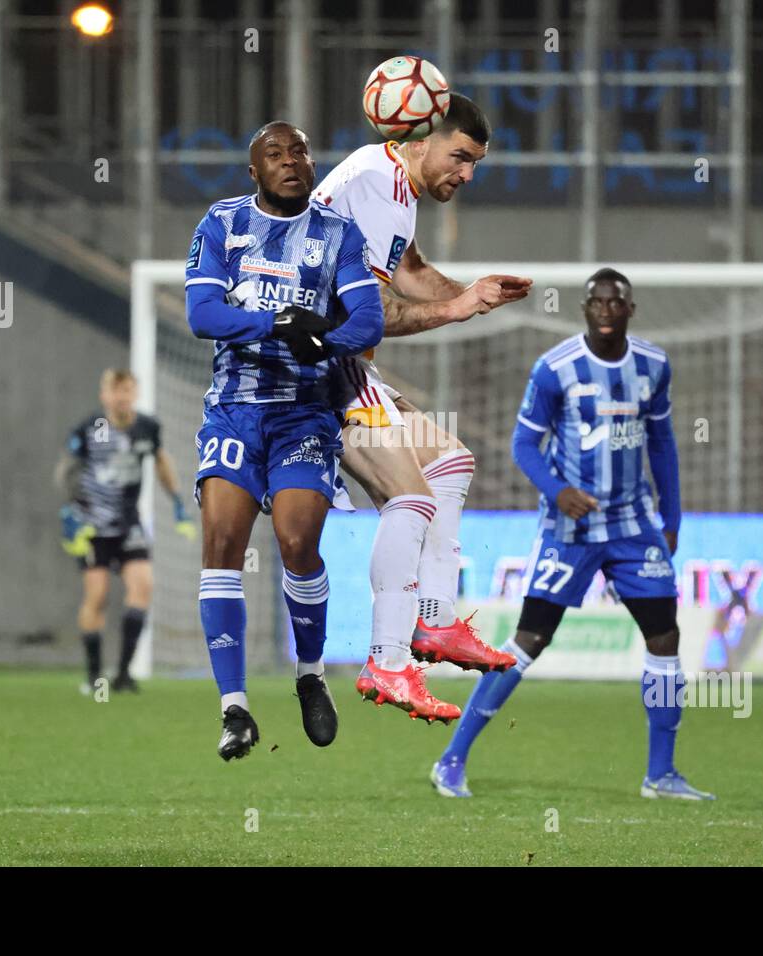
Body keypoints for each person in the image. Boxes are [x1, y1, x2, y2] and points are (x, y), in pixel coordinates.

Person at [430, 269, 714, 801]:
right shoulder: (555, 369)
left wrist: (671, 518)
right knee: (529, 640)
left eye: (616, 302)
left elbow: (663, 445)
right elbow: (523, 446)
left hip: (633, 525)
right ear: (585, 310)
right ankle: (452, 758)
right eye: (596, 302)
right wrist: (558, 491)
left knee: (665, 638)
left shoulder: (653, 366)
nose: (606, 309)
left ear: (631, 309)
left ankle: (661, 774)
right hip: (570, 526)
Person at [312, 93, 532, 720]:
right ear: (421, 137)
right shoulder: (381, 181)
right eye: (460, 157)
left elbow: (407, 270)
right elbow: (372, 315)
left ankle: (433, 624)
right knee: (410, 499)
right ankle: (385, 661)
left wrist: (472, 293)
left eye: (475, 164)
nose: (466, 174)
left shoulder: (390, 184)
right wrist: (457, 308)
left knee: (450, 463)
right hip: (318, 369)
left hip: (346, 366)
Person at [185, 120, 385, 760]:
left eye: (299, 149)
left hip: (304, 413)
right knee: (221, 547)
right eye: (275, 154)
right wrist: (278, 322)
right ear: (255, 171)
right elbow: (201, 315)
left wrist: (319, 335)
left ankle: (309, 673)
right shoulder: (222, 224)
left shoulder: (336, 233)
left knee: (298, 542)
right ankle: (235, 709)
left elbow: (369, 321)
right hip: (234, 412)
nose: (291, 161)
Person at [56, 369, 192, 694]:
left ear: (136, 393)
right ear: (105, 395)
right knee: (98, 595)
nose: (122, 397)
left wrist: (177, 504)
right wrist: (71, 511)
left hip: (129, 523)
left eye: (128, 391)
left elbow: (161, 462)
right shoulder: (89, 429)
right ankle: (93, 676)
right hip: (94, 526)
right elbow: (66, 471)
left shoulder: (147, 427)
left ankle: (124, 674)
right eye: (116, 391)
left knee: (142, 586)